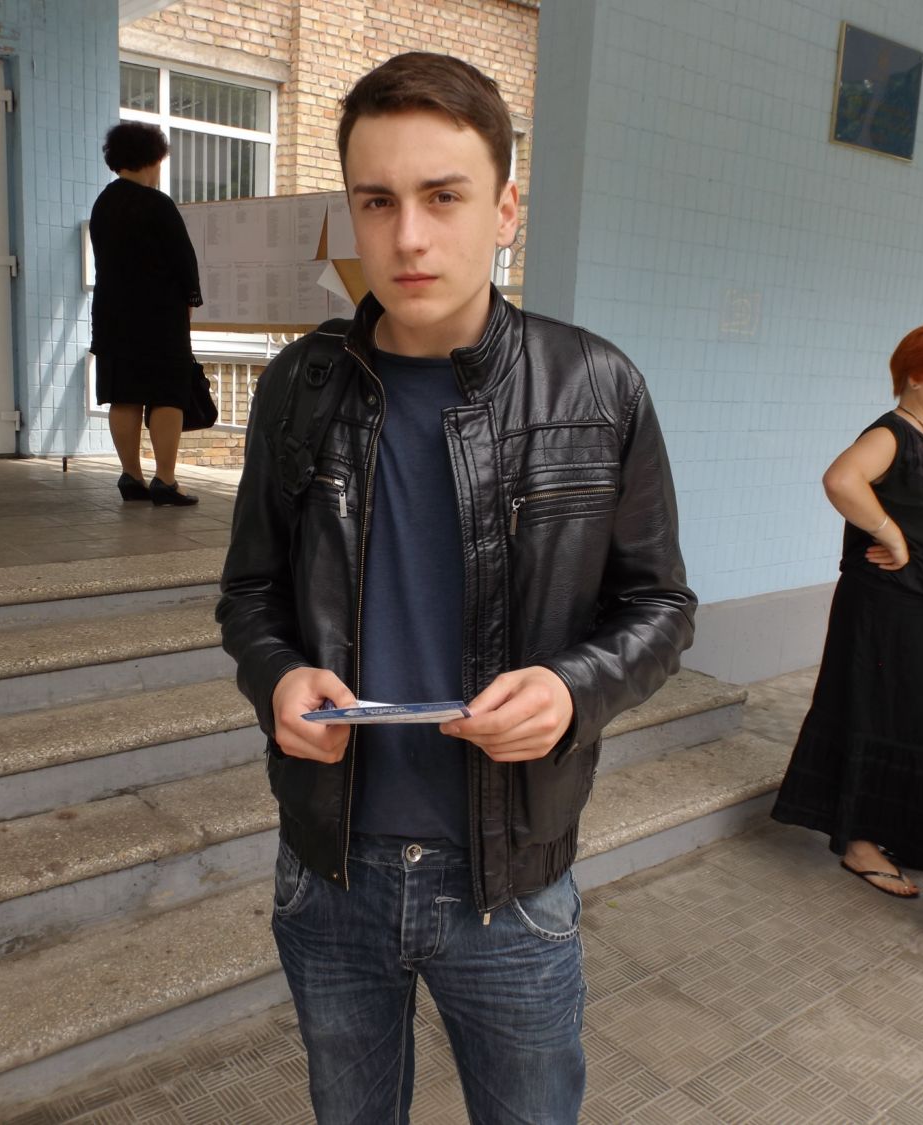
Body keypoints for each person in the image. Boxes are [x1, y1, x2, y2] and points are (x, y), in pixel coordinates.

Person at [216, 52, 695, 1124]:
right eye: (377, 202)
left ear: (505, 208)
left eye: (444, 197)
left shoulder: (596, 387)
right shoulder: (300, 387)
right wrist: (278, 676)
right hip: (330, 867)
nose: (409, 238)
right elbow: (250, 593)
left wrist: (572, 689)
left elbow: (661, 608)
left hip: (510, 881)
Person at [771, 325, 923, 898]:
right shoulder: (892, 433)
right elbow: (841, 480)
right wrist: (891, 534)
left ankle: (907, 832)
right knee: (884, 717)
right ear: (916, 375)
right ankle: (859, 842)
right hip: (890, 605)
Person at [88, 122, 202, 505]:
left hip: (112, 315)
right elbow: (184, 263)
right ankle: (165, 480)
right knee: (168, 394)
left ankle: (131, 476)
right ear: (151, 159)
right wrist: (188, 305)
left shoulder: (103, 204)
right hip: (158, 317)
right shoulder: (158, 204)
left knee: (123, 395)